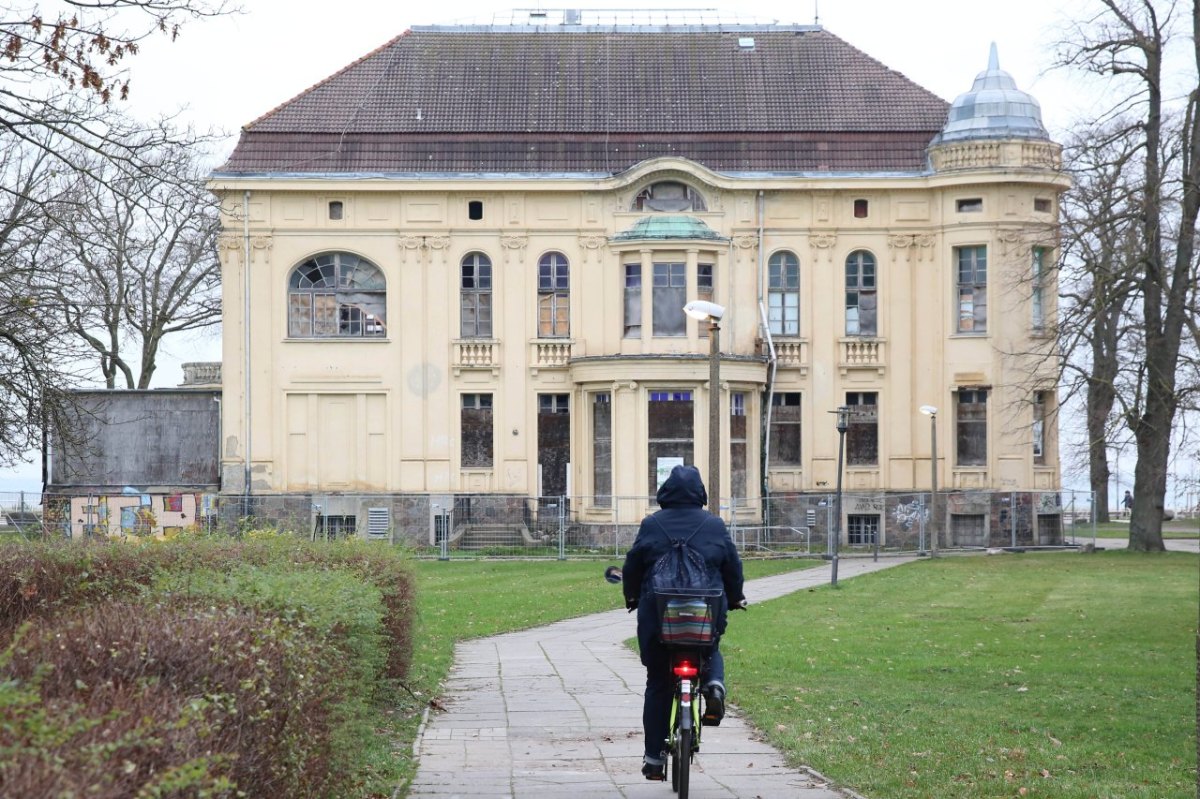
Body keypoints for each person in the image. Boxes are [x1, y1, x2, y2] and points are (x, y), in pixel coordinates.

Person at [621, 464, 745, 781]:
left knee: (659, 682)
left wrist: (632, 595)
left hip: (660, 618)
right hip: (705, 613)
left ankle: (654, 760)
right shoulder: (714, 525)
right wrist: (735, 596)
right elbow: (732, 565)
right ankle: (713, 685)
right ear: (699, 492)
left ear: (665, 492)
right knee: (711, 646)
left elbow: (633, 565)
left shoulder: (652, 524)